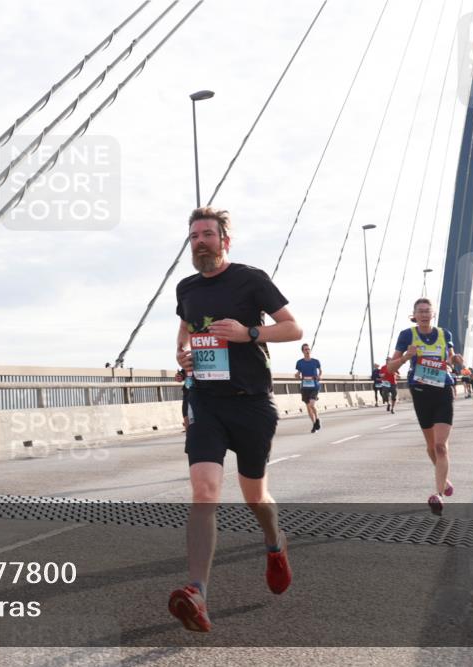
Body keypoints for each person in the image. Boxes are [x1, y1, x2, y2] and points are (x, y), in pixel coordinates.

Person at [170, 207, 302, 633]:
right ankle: (198, 593)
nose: (200, 241)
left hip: (251, 403)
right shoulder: (186, 288)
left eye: (208, 234)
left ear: (225, 240)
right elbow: (185, 333)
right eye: (194, 236)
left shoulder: (251, 279)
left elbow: (293, 328)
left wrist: (249, 333)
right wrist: (184, 356)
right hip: (206, 402)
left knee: (254, 498)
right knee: (205, 490)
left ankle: (274, 544)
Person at [385, 298, 455, 515]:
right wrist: (407, 356)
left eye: (427, 311)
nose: (424, 314)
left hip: (443, 391)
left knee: (441, 446)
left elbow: (451, 360)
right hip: (421, 393)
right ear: (414, 314)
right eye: (420, 311)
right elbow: (389, 367)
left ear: (433, 314)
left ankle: (438, 494)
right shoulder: (407, 335)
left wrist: (457, 360)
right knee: (431, 445)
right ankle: (444, 480)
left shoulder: (445, 334)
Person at [294, 343, 322, 432]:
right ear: (302, 351)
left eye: (308, 349)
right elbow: (298, 373)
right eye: (305, 349)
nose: (307, 351)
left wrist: (320, 376)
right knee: (308, 407)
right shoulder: (299, 362)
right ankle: (314, 424)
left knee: (312, 404)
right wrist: (297, 375)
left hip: (314, 385)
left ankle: (317, 419)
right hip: (305, 387)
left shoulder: (315, 361)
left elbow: (320, 371)